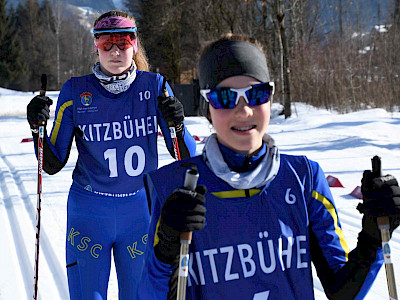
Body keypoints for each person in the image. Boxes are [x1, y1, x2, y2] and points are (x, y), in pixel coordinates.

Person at [137, 34, 400, 299]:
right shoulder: (176, 187)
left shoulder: (304, 179)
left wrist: (373, 237)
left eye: (257, 94)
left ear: (270, 98)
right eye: (226, 97)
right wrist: (166, 247)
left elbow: (343, 291)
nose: (244, 111)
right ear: (208, 108)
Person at [26, 10, 196, 299]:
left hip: (139, 215)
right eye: (106, 43)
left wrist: (177, 124)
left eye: (124, 42)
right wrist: (36, 128)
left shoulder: (154, 86)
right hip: (89, 214)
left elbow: (185, 157)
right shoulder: (76, 92)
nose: (115, 51)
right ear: (96, 46)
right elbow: (52, 163)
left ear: (134, 44)